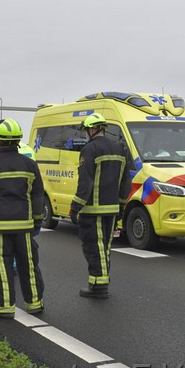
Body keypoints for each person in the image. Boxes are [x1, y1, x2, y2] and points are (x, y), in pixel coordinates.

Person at [0, 118, 45, 318]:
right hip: (25, 226)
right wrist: (38, 220)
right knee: (28, 264)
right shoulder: (30, 165)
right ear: (18, 139)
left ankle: (4, 308)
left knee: (2, 265)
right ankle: (34, 303)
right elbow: (38, 196)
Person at [70, 113, 131, 299]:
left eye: (87, 129)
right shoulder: (119, 149)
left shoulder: (89, 150)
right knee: (104, 247)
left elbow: (85, 183)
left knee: (93, 248)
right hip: (112, 210)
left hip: (92, 210)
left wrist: (75, 207)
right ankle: (99, 282)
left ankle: (99, 286)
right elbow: (126, 182)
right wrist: (121, 206)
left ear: (92, 129)